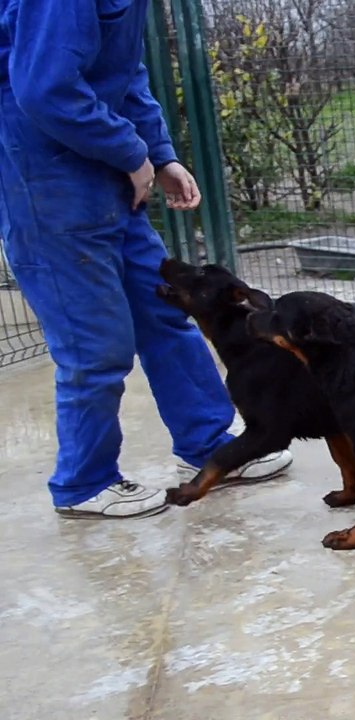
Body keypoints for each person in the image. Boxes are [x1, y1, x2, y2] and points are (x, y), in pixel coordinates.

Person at [0, 0, 291, 519]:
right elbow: (45, 90)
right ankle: (84, 482)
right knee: (94, 346)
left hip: (108, 175)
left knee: (165, 309)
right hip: (48, 184)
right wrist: (129, 151)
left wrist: (159, 155)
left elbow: (125, 73)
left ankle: (208, 445)